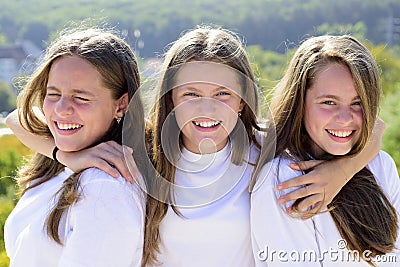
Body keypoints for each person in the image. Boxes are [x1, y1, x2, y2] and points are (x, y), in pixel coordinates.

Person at [6, 26, 383, 266]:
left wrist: (342, 170)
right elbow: (15, 120)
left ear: (242, 100)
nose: (207, 108)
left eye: (223, 93)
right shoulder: (145, 149)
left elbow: (374, 126)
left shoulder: (266, 147)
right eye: (191, 94)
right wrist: (69, 153)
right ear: (170, 99)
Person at [250, 35, 400, 266]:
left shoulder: (381, 164)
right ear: (300, 102)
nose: (344, 118)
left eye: (358, 103)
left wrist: (343, 170)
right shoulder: (280, 178)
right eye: (329, 102)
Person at [4, 27, 148, 267]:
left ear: (121, 105)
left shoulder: (104, 189)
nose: (61, 110)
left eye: (81, 98)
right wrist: (64, 156)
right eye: (53, 94)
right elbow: (15, 117)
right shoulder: (65, 158)